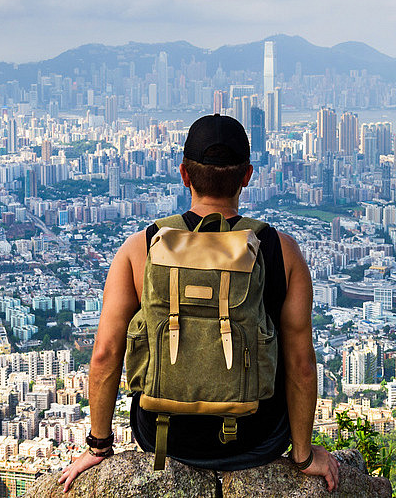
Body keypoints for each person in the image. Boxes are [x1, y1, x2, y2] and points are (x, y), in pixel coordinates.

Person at [59, 114, 340, 492]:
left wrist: (99, 444)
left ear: (184, 174)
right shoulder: (281, 251)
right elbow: (302, 365)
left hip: (165, 437)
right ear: (247, 176)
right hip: (257, 439)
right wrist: (303, 455)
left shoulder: (142, 247)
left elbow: (105, 353)